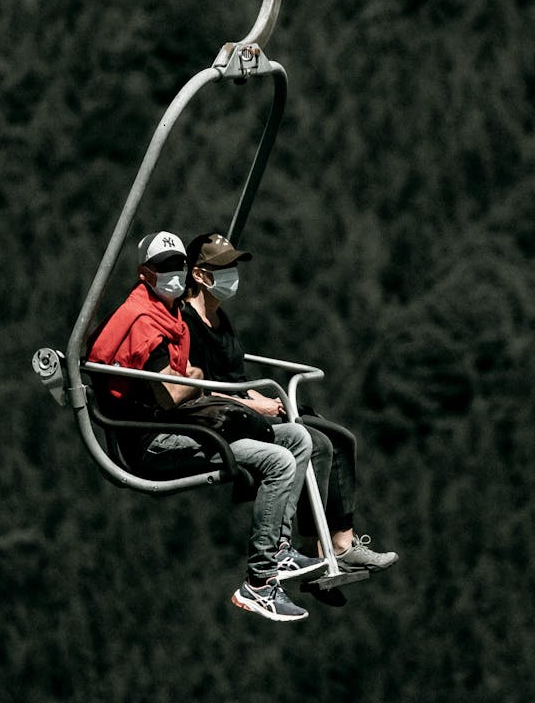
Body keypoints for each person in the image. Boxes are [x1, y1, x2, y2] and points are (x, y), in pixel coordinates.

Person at [87, 231, 326, 622]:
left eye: (180, 264)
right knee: (278, 461)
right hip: (154, 440)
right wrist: (192, 376)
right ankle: (260, 582)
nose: (175, 273)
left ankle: (279, 551)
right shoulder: (145, 322)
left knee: (298, 438)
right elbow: (169, 394)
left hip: (180, 427)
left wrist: (190, 378)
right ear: (145, 273)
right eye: (165, 267)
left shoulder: (168, 313)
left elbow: (180, 385)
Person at [182, 232, 398, 582]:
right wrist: (252, 403)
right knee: (319, 445)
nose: (231, 274)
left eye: (233, 265)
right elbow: (199, 390)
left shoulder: (220, 319)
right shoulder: (187, 323)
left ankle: (339, 544)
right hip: (219, 416)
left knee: (342, 439)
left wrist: (257, 400)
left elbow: (233, 374)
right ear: (198, 274)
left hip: (242, 404)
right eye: (222, 267)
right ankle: (321, 549)